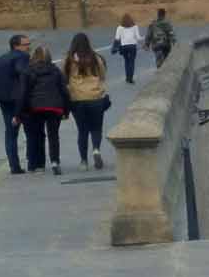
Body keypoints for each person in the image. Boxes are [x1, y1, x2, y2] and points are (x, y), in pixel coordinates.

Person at [0, 33, 32, 175]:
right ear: (16, 46)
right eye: (26, 44)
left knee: (10, 133)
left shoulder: (1, 58)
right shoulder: (22, 57)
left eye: (29, 44)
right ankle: (32, 161)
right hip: (20, 100)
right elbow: (23, 72)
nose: (29, 47)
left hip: (4, 100)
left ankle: (14, 166)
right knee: (30, 130)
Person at [63, 33, 111, 170]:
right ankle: (96, 149)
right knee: (96, 128)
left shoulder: (69, 60)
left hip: (77, 99)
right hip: (95, 98)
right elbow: (103, 75)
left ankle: (83, 161)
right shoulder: (96, 58)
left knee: (82, 130)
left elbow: (64, 78)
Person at [21, 46, 71, 174]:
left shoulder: (28, 71)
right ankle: (55, 162)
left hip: (35, 107)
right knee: (53, 135)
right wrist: (66, 110)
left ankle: (40, 165)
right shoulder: (56, 71)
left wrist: (20, 111)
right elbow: (64, 91)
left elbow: (23, 93)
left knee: (38, 135)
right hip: (54, 107)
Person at [111, 13, 144, 84]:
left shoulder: (119, 27)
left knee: (126, 61)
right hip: (132, 46)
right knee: (132, 61)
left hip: (124, 47)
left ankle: (127, 77)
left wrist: (114, 47)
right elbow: (138, 38)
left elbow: (117, 38)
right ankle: (130, 78)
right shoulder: (135, 27)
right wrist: (143, 42)